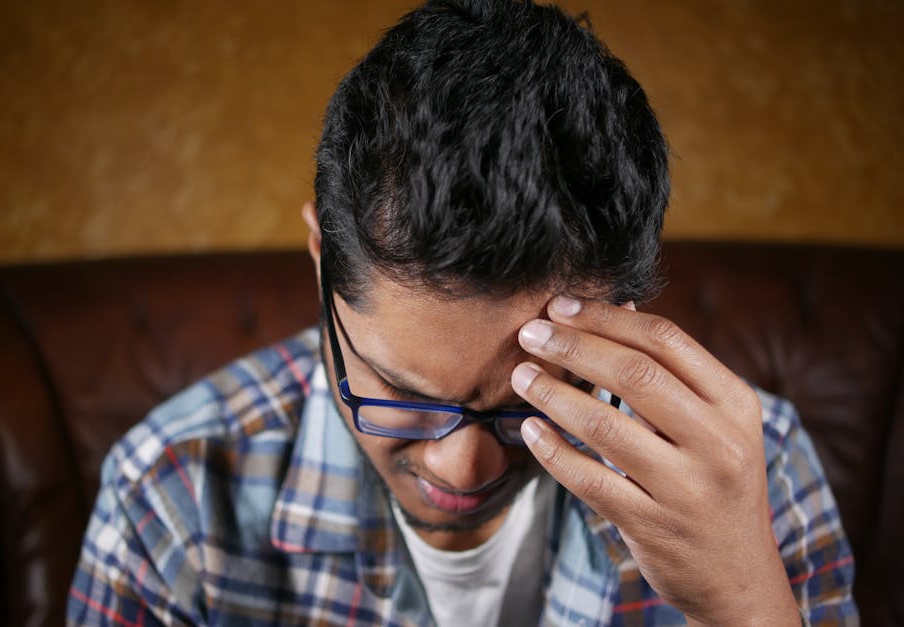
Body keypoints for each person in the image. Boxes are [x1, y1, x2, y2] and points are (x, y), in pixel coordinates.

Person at [68, 1, 856, 624]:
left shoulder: (757, 470)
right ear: (321, 260)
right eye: (401, 393)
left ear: (623, 307)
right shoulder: (169, 496)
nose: (461, 468)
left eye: (529, 403)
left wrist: (751, 609)